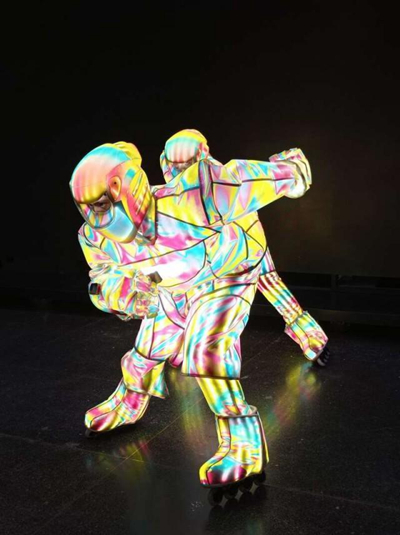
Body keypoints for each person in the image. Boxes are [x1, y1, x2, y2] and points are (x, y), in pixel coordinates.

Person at [70, 136, 313, 501]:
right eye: (87, 208)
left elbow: (253, 179)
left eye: (102, 205)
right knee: (147, 349)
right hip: (172, 288)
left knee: (206, 352)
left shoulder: (197, 196)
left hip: (225, 274)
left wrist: (292, 172)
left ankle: (244, 444)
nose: (97, 217)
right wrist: (124, 293)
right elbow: (102, 278)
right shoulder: (95, 237)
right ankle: (129, 401)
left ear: (124, 187)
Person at [160, 130, 329, 366]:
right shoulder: (176, 187)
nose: (181, 172)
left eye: (186, 165)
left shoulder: (232, 177)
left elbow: (289, 177)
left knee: (269, 282)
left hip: (246, 238)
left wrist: (291, 168)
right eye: (175, 167)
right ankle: (184, 345)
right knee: (188, 290)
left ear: (202, 155)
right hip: (210, 251)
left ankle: (312, 337)